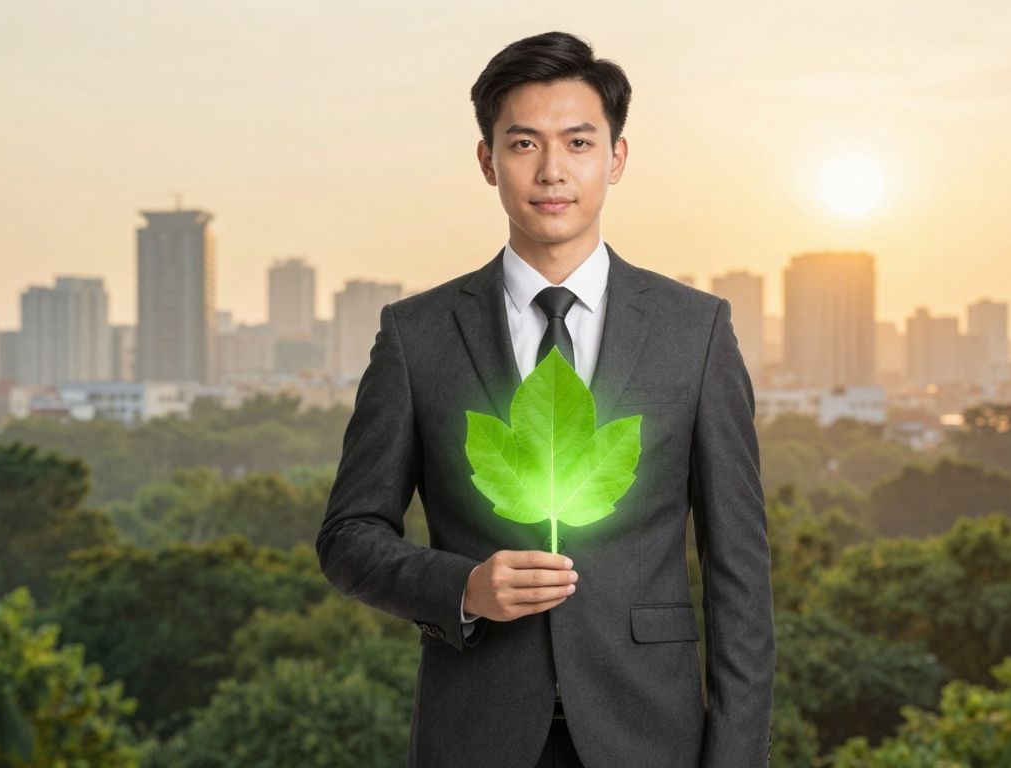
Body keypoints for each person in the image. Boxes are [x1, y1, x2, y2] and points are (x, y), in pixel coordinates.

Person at [315, 30, 774, 768]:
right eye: (524, 143)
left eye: (579, 143)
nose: (552, 170)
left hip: (649, 734)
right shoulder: (416, 336)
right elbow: (348, 537)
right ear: (487, 160)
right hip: (475, 734)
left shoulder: (695, 332)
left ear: (616, 158)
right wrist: (463, 586)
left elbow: (739, 574)